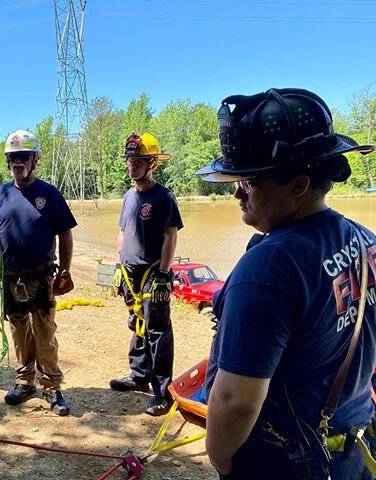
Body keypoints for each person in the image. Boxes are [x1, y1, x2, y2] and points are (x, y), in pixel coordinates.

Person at [197, 88, 376, 480]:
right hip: (351, 451)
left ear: (298, 185)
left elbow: (235, 400)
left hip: (286, 461)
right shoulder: (363, 239)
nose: (237, 193)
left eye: (249, 181)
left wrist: (223, 460)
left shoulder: (268, 269)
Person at [0, 129, 76, 416]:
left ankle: (51, 387)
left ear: (35, 160)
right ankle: (24, 382)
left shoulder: (50, 194)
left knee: (45, 333)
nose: (17, 163)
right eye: (12, 158)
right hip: (10, 278)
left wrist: (66, 271)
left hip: (42, 277)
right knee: (19, 333)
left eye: (23, 158)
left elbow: (65, 234)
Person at [109, 132, 183, 416]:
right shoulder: (129, 196)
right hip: (130, 274)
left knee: (158, 330)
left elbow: (170, 236)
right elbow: (122, 232)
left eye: (139, 161)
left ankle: (162, 393)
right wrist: (119, 266)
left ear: (153, 163)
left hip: (154, 273)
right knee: (136, 323)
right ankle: (139, 375)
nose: (133, 166)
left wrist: (164, 274)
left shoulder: (164, 197)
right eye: (130, 161)